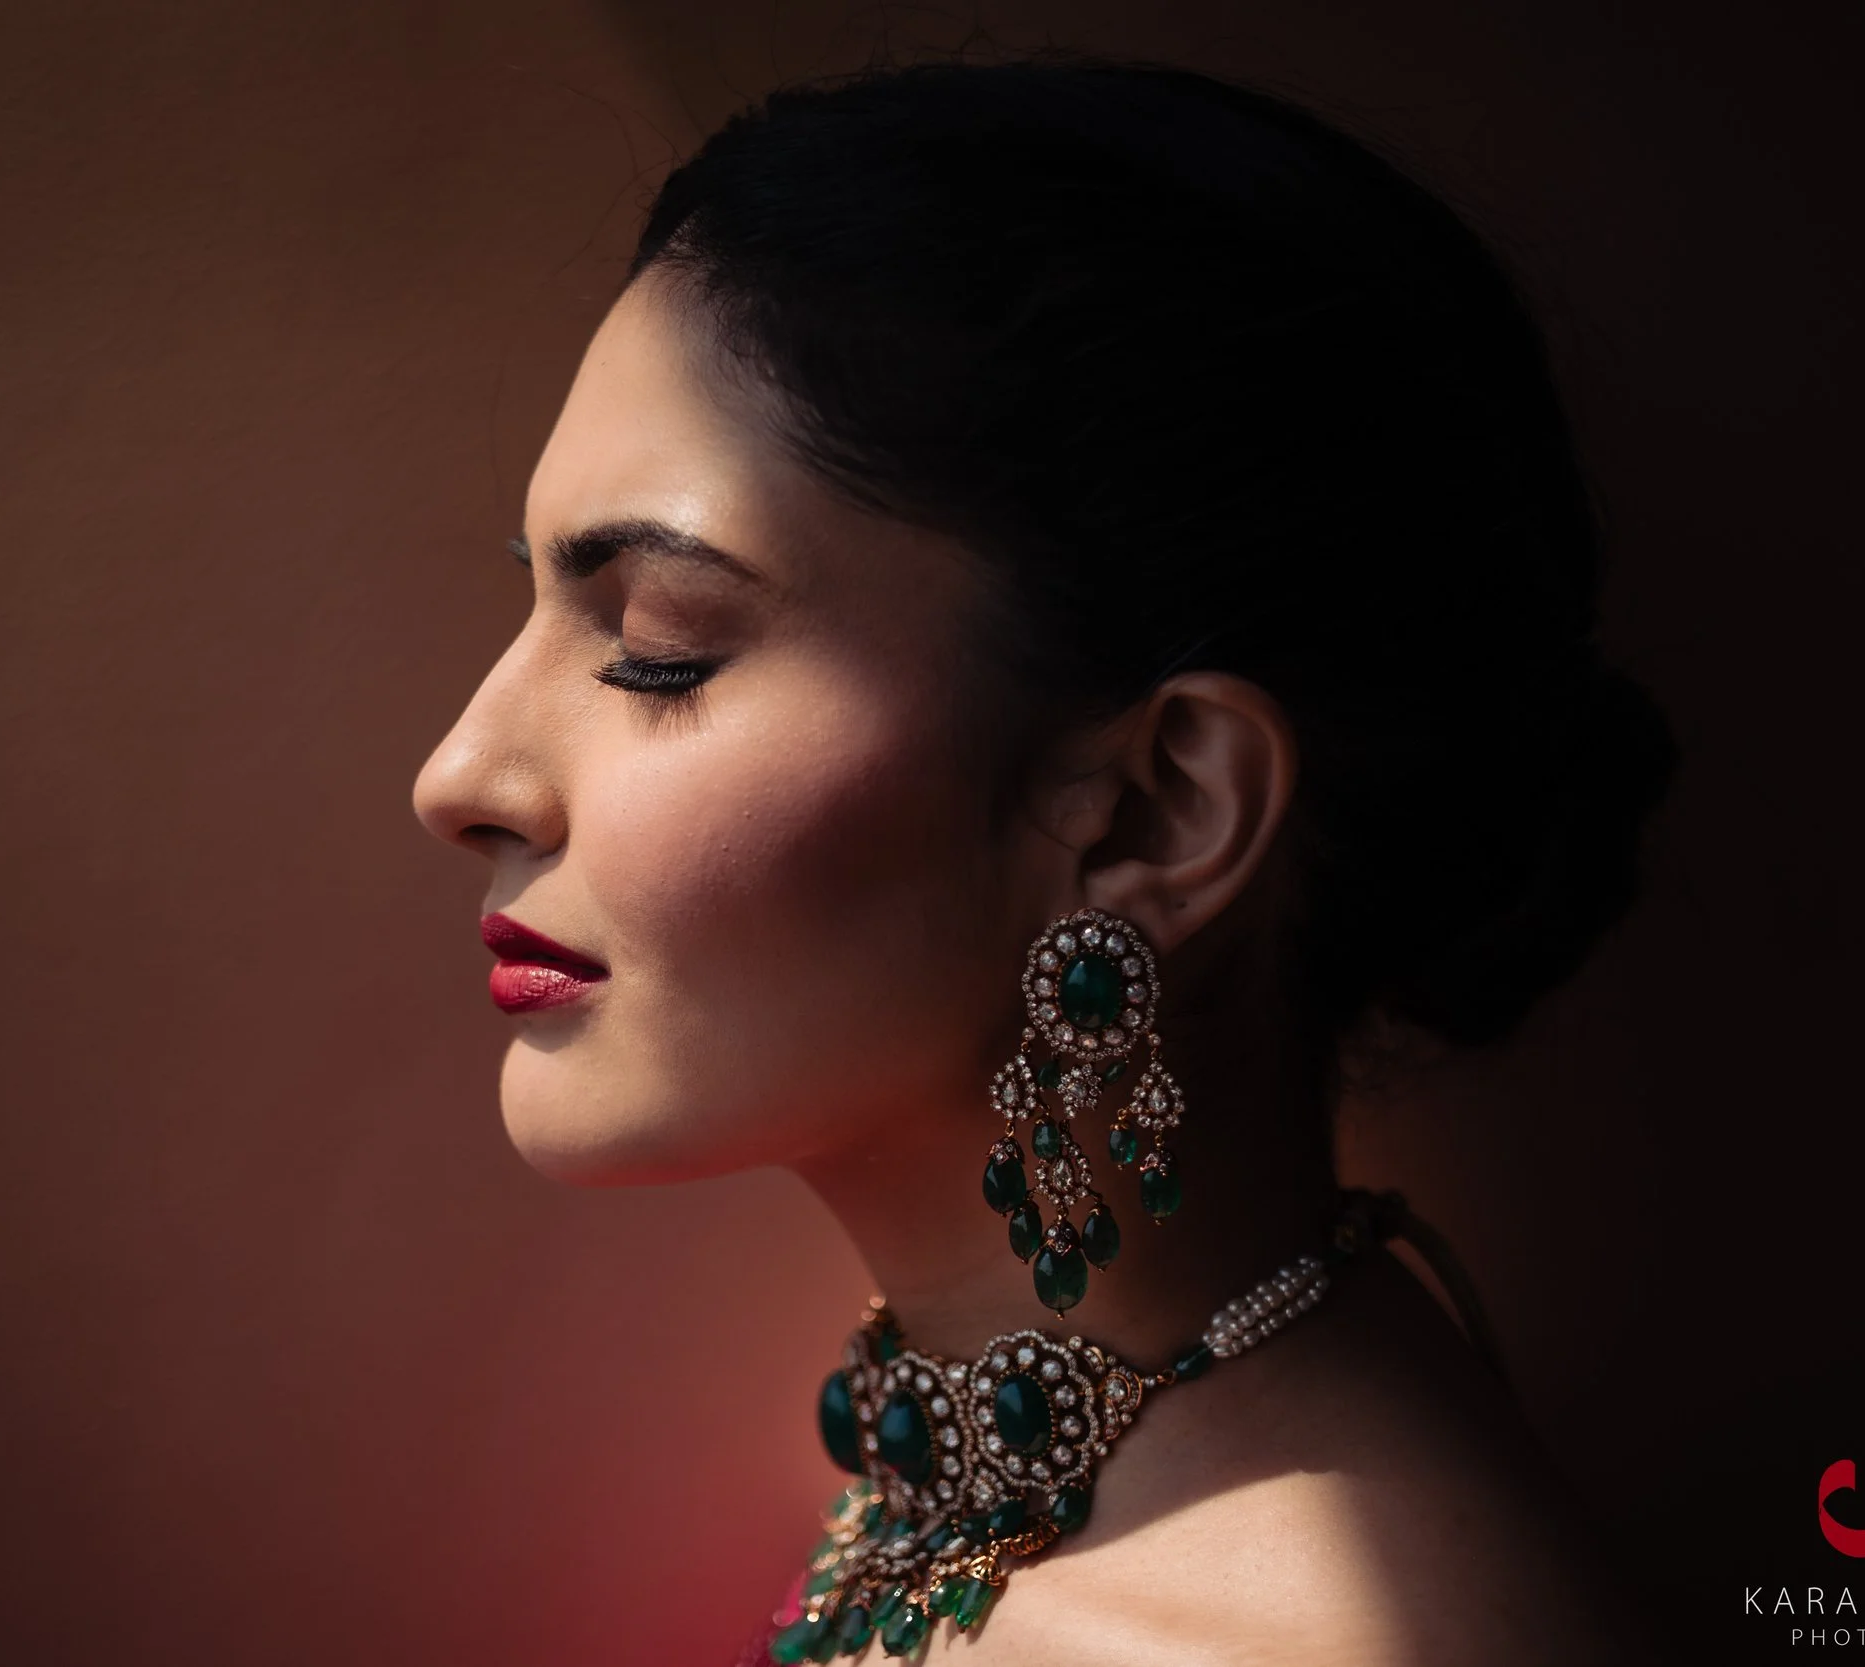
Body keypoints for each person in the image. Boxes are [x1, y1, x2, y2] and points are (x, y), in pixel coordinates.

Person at [414, 57, 1673, 1666]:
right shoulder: (1046, 1461)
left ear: (1159, 810)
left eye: (658, 646)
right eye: (533, 604)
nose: (459, 776)